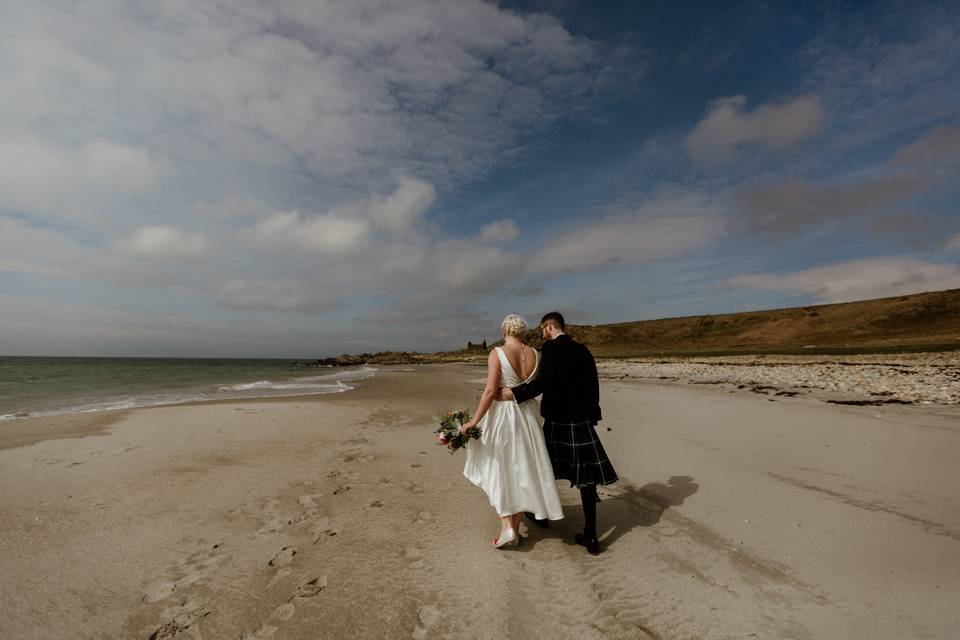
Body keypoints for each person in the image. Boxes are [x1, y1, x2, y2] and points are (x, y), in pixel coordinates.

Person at [498, 311, 618, 555]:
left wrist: (514, 395)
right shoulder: (583, 350)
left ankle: (539, 516)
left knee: (543, 467)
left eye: (543, 328)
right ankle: (591, 535)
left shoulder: (551, 349)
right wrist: (592, 416)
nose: (542, 333)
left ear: (549, 326)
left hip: (558, 420)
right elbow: (593, 385)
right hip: (581, 420)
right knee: (586, 476)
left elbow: (544, 383)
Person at [460, 314, 564, 548]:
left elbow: (489, 392)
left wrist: (473, 422)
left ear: (504, 330)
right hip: (528, 414)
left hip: (504, 415)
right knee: (522, 468)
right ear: (522, 331)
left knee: (500, 466)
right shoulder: (535, 354)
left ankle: (508, 527)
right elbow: (536, 387)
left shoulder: (497, 353)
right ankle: (513, 529)